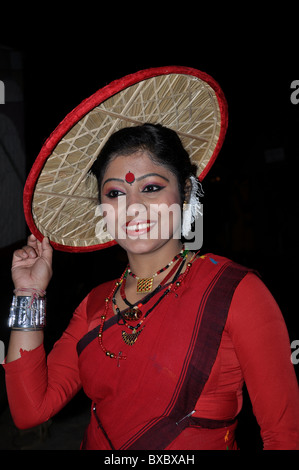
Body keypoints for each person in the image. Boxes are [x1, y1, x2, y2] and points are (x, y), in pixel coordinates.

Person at [3, 122, 299, 450]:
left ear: (185, 191)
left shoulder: (235, 292)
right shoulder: (96, 303)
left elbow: (283, 435)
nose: (133, 207)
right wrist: (28, 292)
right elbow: (30, 411)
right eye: (115, 193)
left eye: (151, 188)